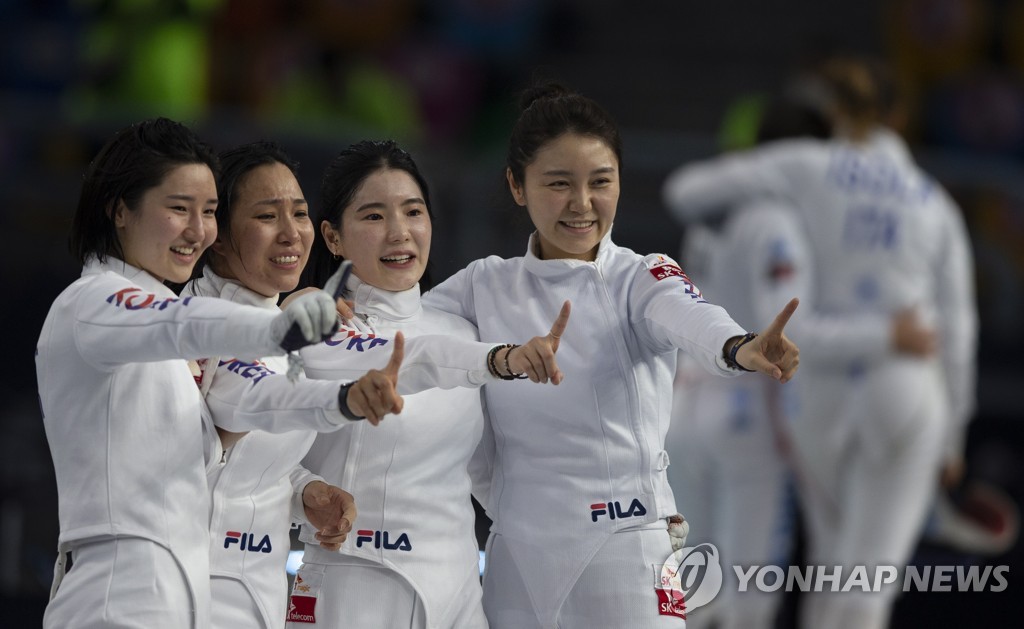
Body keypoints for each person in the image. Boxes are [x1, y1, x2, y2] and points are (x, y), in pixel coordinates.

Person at [420, 83, 801, 629]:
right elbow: (401, 334)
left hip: (628, 555)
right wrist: (336, 315)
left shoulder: (641, 275)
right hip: (516, 563)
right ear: (516, 186)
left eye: (601, 182)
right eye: (559, 184)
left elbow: (691, 317)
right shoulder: (484, 285)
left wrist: (738, 347)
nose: (582, 204)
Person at [663, 57, 978, 629]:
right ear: (897, 114)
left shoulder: (727, 211)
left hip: (709, 402)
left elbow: (685, 190)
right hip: (777, 405)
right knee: (830, 586)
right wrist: (952, 435)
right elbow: (954, 328)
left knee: (693, 592)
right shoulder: (926, 200)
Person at [35, 118, 367, 628]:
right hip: (117, 595)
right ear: (119, 209)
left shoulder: (160, 340)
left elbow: (205, 455)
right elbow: (179, 322)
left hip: (171, 591)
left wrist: (301, 487)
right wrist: (279, 326)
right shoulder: (95, 300)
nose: (197, 230)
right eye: (177, 208)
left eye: (208, 211)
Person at [288, 139, 572, 629]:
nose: (400, 233)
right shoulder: (308, 330)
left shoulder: (463, 332)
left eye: (413, 211)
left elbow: (491, 475)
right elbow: (251, 459)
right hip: (350, 587)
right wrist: (304, 494)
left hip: (457, 593)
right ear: (332, 238)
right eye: (374, 217)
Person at [182, 141, 383, 628]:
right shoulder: (186, 325)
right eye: (268, 217)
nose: (292, 233)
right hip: (179, 587)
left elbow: (245, 465)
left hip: (259, 589)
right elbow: (183, 457)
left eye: (299, 213)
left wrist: (304, 491)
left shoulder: (285, 320)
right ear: (219, 236)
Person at [664, 91, 831, 629]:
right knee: (748, 596)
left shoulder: (710, 213)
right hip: (747, 417)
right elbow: (782, 331)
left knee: (689, 592)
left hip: (685, 406)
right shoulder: (775, 221)